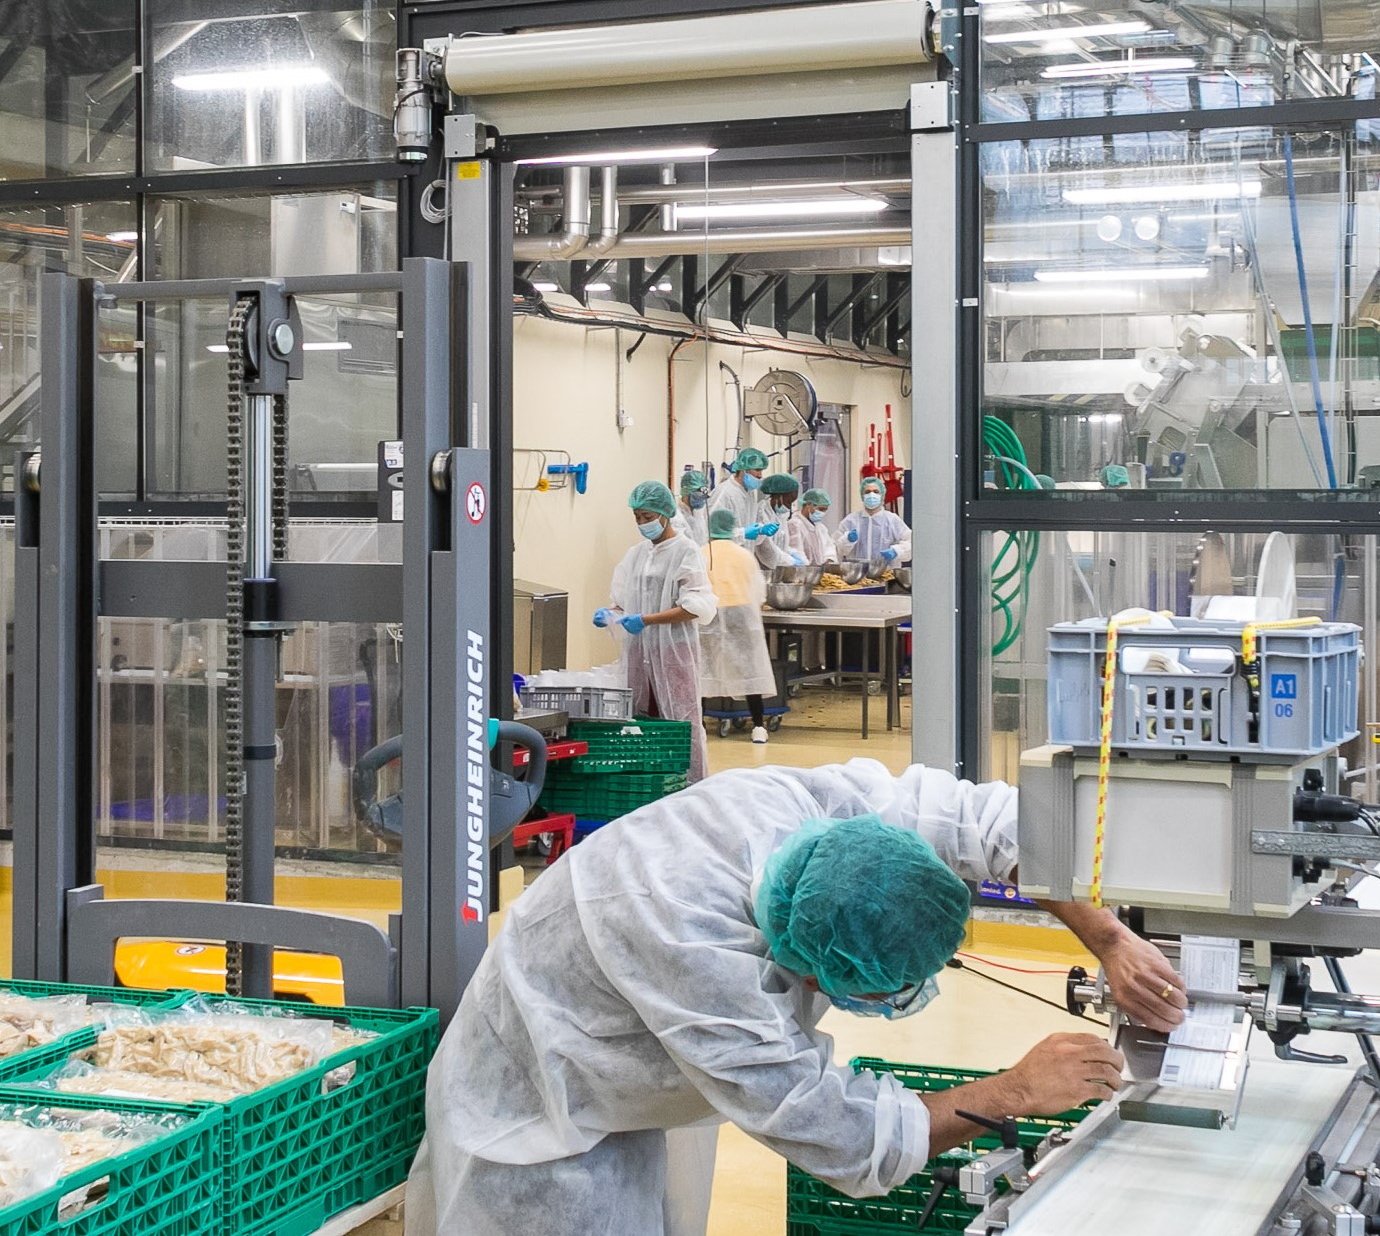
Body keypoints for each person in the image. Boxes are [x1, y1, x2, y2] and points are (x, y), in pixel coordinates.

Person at [405, 759, 1186, 1236]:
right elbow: (837, 1131)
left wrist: (1109, 937)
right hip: (535, 1124)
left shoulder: (822, 816)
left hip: (627, 1087)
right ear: (822, 974)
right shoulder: (700, 958)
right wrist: (1014, 1089)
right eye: (894, 989)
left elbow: (994, 822)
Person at [595, 481, 714, 782]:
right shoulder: (636, 555)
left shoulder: (686, 551)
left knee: (681, 721)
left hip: (674, 650)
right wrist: (610, 614)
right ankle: (649, 785)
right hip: (638, 653)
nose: (642, 523)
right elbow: (624, 604)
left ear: (665, 514)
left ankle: (691, 786)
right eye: (637, 517)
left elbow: (697, 606)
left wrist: (647, 620)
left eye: (648, 517)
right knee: (640, 721)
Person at [702, 507, 781, 745]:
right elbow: (759, 591)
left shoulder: (700, 553)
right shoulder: (744, 555)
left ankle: (701, 725)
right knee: (749, 671)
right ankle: (758, 726)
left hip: (708, 618)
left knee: (703, 671)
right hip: (741, 617)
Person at [839, 476, 912, 576]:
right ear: (862, 495)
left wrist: (896, 550)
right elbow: (837, 550)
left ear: (882, 495)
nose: (871, 495)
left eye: (876, 491)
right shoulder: (851, 520)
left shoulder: (892, 520)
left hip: (887, 575)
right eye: (867, 492)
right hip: (857, 576)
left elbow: (911, 542)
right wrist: (847, 540)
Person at [710, 447, 767, 540]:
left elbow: (749, 523)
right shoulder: (724, 492)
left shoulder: (750, 492)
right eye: (757, 470)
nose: (760, 475)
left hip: (744, 552)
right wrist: (742, 533)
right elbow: (713, 531)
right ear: (743, 469)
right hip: (725, 552)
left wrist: (760, 530)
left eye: (761, 471)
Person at [749, 471, 802, 569]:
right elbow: (767, 551)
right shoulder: (761, 513)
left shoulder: (780, 516)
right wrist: (791, 561)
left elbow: (782, 545)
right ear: (778, 496)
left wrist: (793, 554)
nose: (789, 507)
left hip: (777, 570)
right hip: (762, 571)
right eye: (789, 501)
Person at [783, 489, 837, 574]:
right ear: (808, 504)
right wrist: (808, 569)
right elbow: (796, 552)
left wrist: (829, 559)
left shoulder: (820, 527)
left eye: (825, 510)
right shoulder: (794, 524)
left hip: (819, 574)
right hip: (803, 574)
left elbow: (829, 546)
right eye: (821, 509)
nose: (823, 513)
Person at [674, 469, 713, 546]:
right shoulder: (676, 519)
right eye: (699, 494)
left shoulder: (698, 514)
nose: (702, 498)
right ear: (686, 492)